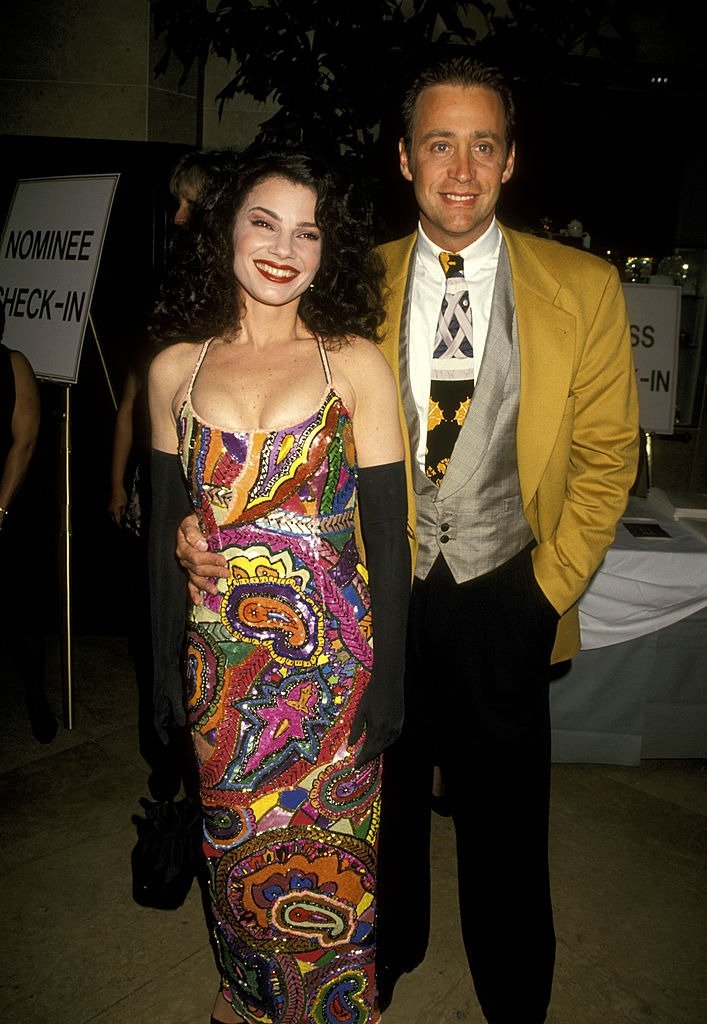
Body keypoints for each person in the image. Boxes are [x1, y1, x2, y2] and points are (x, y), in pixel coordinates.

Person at [176, 59, 640, 1024]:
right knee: (374, 814)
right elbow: (253, 409)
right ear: (403, 157)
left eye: (481, 145)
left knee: (508, 823)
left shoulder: (584, 289)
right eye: (438, 143)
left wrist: (544, 590)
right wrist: (199, 522)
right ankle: (382, 962)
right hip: (363, 599)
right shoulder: (347, 280)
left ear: (510, 162)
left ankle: (516, 995)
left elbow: (604, 461)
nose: (459, 168)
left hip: (506, 589)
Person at [147, 150, 409, 1024]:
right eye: (264, 221)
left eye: (308, 230)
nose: (283, 247)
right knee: (236, 867)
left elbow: (389, 538)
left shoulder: (352, 364)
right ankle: (250, 1001)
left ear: (328, 252)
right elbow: (164, 534)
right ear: (226, 226)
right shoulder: (174, 371)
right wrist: (159, 678)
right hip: (222, 671)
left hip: (332, 675)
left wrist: (392, 680)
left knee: (334, 875)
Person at [0, 305, 57, 744]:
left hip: (7, 508)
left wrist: (0, 508)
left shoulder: (13, 362)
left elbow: (27, 438)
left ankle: (37, 699)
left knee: (20, 611)